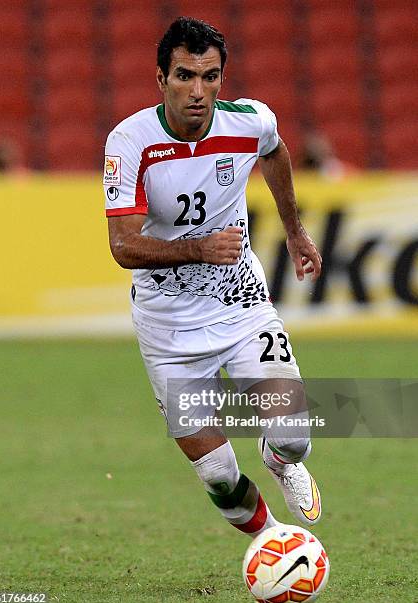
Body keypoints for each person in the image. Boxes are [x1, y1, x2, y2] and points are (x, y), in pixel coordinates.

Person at [104, 17, 322, 538]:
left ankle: (278, 459)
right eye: (184, 76)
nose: (197, 91)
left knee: (293, 435)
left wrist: (293, 230)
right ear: (161, 79)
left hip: (240, 303)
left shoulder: (249, 121)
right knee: (220, 476)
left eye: (210, 76)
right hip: (169, 327)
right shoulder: (130, 142)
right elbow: (122, 246)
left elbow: (275, 151)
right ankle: (273, 541)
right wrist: (200, 248)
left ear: (223, 78)